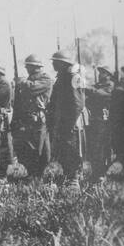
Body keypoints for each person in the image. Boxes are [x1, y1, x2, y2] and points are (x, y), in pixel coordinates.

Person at [12, 54, 53, 179]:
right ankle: (32, 173)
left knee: (38, 149)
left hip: (38, 119)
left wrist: (22, 82)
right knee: (26, 147)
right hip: (26, 119)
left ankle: (37, 174)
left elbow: (32, 88)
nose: (27, 69)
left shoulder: (45, 78)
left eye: (29, 66)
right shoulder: (28, 80)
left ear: (35, 67)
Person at [48, 51, 85, 184]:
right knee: (64, 149)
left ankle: (74, 179)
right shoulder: (62, 77)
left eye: (55, 62)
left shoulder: (73, 77)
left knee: (72, 150)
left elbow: (77, 104)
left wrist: (68, 124)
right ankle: (70, 175)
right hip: (62, 121)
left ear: (63, 63)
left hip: (70, 123)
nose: (52, 64)